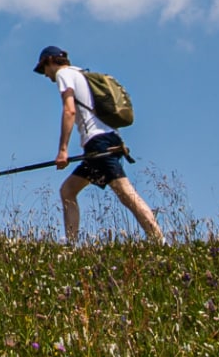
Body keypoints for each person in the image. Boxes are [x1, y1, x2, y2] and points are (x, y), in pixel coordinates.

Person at [35, 45, 165, 244]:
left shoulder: (63, 75)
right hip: (105, 140)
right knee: (68, 190)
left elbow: (69, 111)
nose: (45, 75)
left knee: (125, 192)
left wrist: (62, 150)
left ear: (49, 62)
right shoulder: (81, 74)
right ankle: (71, 245)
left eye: (43, 68)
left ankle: (159, 240)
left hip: (99, 143)